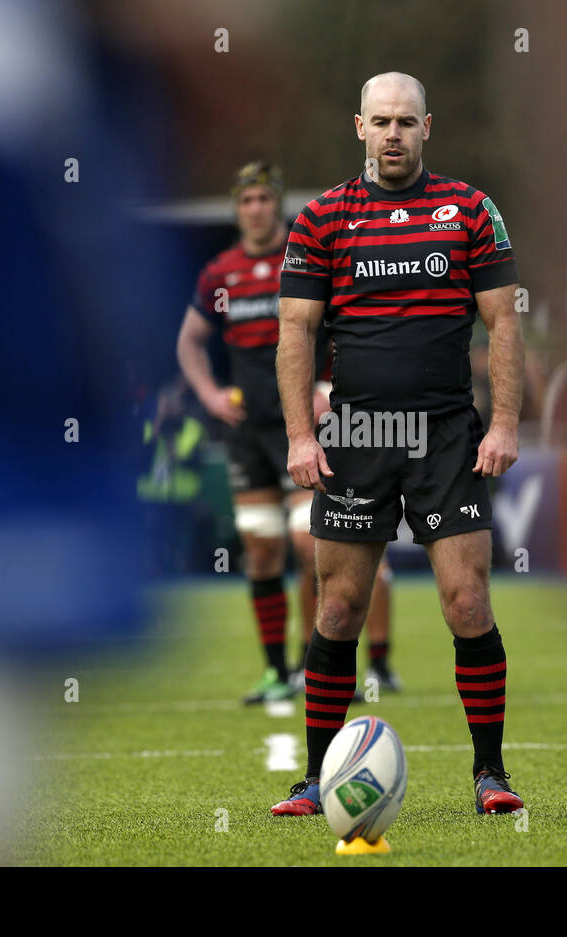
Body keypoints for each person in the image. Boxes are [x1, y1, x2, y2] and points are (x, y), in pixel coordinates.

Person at [270, 72, 525, 816]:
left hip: (447, 433)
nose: (392, 134)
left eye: (405, 122)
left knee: (466, 601)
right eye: (379, 121)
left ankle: (491, 775)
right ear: (358, 127)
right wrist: (299, 435)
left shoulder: (471, 209)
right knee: (340, 607)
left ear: (426, 127)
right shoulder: (322, 218)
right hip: (356, 433)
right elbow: (296, 330)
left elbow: (503, 323)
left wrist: (504, 423)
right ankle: (316, 780)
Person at [176, 161, 396, 704]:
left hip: (303, 425)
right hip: (248, 430)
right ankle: (276, 670)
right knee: (260, 547)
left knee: (310, 544)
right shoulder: (220, 272)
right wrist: (208, 394)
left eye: (263, 199)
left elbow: (347, 324)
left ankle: (311, 661)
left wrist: (325, 381)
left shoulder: (301, 257)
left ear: (278, 204)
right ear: (237, 208)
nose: (255, 208)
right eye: (246, 200)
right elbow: (189, 341)